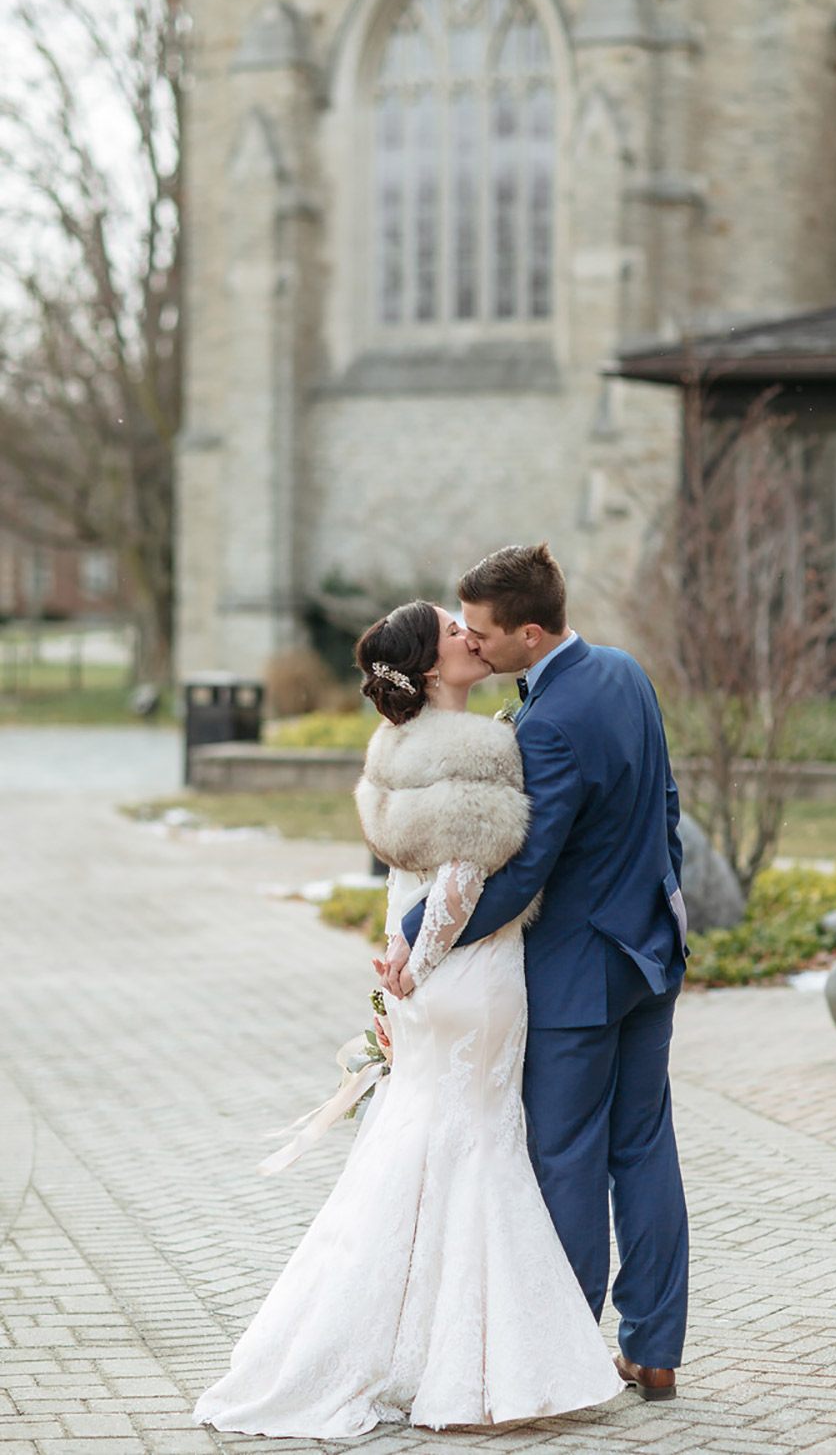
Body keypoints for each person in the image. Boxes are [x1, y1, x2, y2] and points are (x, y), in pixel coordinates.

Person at [193, 600, 622, 1440]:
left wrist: (400, 970)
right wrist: (416, 969)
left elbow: (409, 882)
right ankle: (480, 1373)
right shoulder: (480, 745)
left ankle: (402, 1349)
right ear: (430, 668)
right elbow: (462, 876)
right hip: (466, 972)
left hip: (421, 974)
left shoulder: (392, 745)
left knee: (420, 1148)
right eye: (452, 632)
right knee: (478, 1152)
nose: (469, 635)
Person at [386, 543, 689, 1400]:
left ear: (529, 631)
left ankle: (565, 1357)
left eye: (483, 634)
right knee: (646, 1149)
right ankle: (656, 1347)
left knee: (565, 1160)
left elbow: (523, 868)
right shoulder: (625, 672)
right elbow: (667, 805)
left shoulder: (546, 724)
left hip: (577, 978)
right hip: (651, 958)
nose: (473, 646)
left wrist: (417, 935)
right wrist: (665, 905)